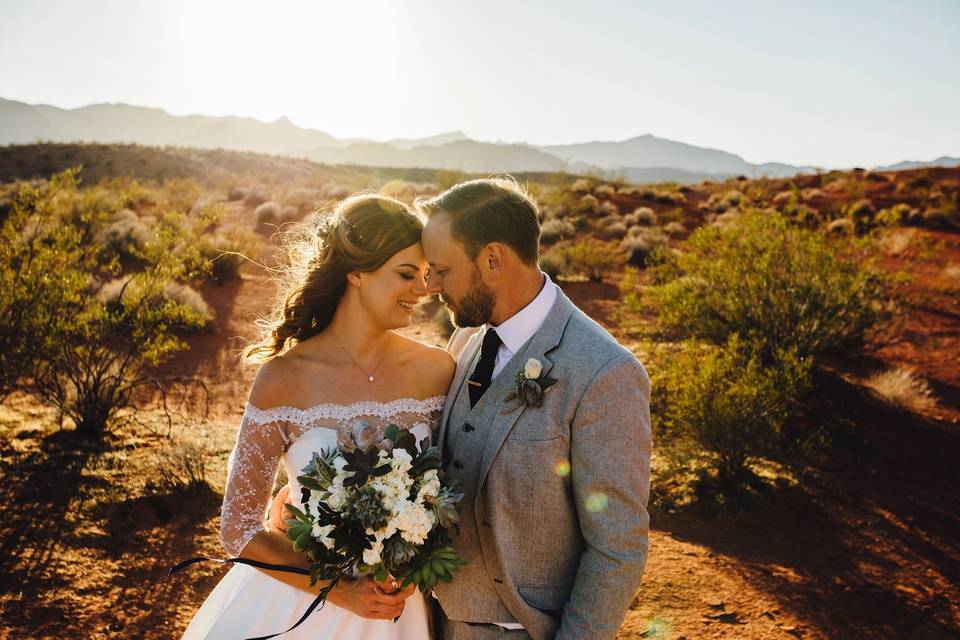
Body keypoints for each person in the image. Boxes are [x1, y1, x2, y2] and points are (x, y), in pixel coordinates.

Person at [181, 193, 454, 640]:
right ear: (356, 273)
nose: (423, 290)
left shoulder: (437, 370)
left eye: (425, 275)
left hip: (400, 610)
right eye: (406, 274)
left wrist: (418, 555)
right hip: (298, 610)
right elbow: (238, 529)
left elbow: (456, 486)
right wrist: (339, 590)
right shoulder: (283, 378)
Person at [418, 177, 652, 640]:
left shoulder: (604, 372)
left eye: (442, 270)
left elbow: (617, 546)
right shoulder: (466, 339)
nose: (431, 286)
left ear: (492, 259)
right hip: (431, 623)